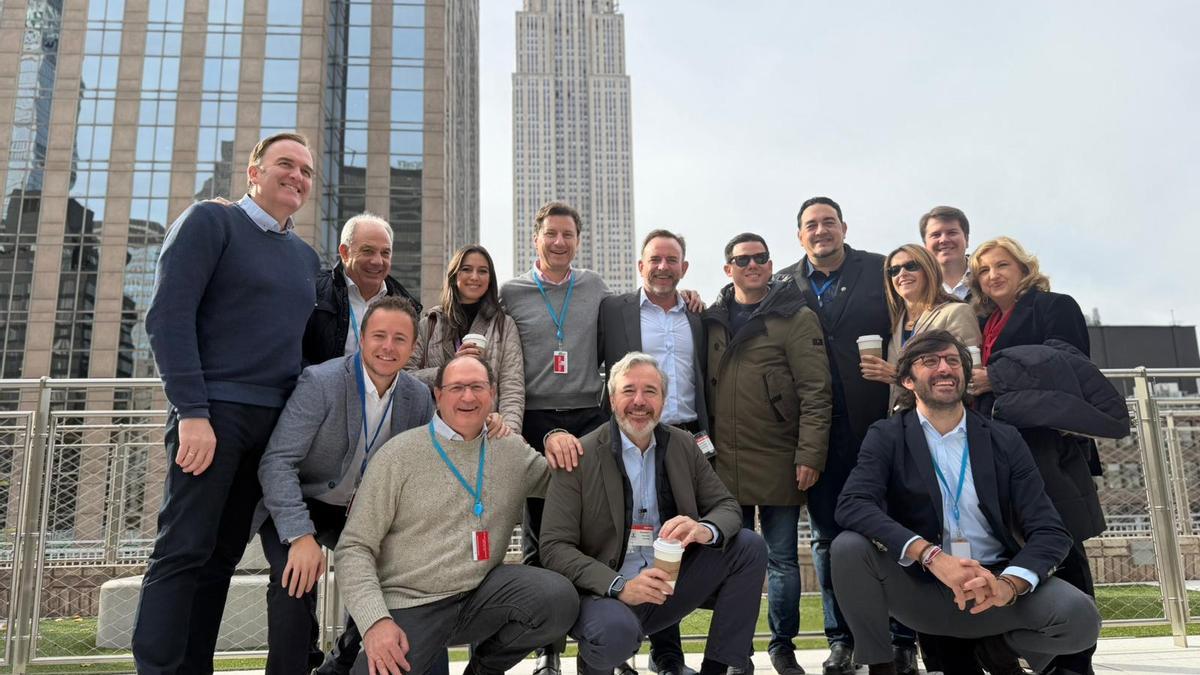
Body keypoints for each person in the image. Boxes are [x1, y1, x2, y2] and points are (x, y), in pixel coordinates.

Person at [135, 132, 322, 674]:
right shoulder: (209, 223)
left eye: (306, 171)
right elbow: (168, 317)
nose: (298, 176)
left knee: (220, 559)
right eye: (285, 164)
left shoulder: (304, 257)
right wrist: (192, 411)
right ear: (253, 172)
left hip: (274, 427)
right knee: (182, 551)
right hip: (213, 414)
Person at [832, 330, 1101, 675]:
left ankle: (996, 649)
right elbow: (853, 504)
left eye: (953, 361)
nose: (944, 368)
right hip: (925, 588)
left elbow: (1050, 529)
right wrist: (931, 556)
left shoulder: (1003, 438)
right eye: (930, 361)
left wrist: (1009, 585)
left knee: (1080, 618)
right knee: (847, 548)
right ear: (907, 380)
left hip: (993, 587)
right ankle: (880, 665)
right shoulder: (887, 436)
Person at [335, 355, 580, 675]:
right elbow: (353, 548)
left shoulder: (510, 450)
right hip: (411, 604)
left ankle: (482, 671)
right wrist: (375, 622)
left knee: (557, 599)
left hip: (482, 596)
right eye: (457, 387)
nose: (468, 396)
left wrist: (555, 437)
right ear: (437, 394)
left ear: (492, 393)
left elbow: (567, 484)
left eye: (477, 387)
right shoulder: (399, 455)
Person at [540, 352, 767, 675]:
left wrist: (704, 529)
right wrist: (619, 585)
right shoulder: (580, 454)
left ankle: (718, 667)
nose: (639, 401)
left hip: (670, 586)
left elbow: (727, 507)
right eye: (628, 390)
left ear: (663, 399)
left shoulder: (684, 445)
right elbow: (553, 547)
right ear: (611, 397)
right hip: (606, 593)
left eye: (650, 391)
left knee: (748, 546)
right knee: (613, 634)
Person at [256, 297, 434, 674]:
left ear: (413, 346)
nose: (388, 347)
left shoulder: (417, 398)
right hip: (302, 500)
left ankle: (340, 668)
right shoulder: (321, 382)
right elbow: (277, 462)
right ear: (362, 337)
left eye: (400, 339)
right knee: (294, 579)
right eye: (379, 336)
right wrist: (301, 536)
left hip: (361, 510)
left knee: (394, 574)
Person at [776, 197, 910, 674]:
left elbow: (916, 322)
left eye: (828, 222)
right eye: (810, 225)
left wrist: (901, 374)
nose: (820, 231)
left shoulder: (881, 270)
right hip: (815, 432)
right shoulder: (781, 283)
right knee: (828, 538)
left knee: (895, 529)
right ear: (799, 235)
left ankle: (902, 638)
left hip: (880, 425)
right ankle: (841, 639)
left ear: (844, 227)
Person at [967, 236, 1104, 675]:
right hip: (1005, 449)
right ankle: (1049, 653)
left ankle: (1077, 660)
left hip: (1048, 448)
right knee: (1028, 546)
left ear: (1024, 268)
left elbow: (1067, 364)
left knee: (1063, 544)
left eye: (1001, 265)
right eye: (983, 270)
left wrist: (996, 378)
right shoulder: (988, 320)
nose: (993, 275)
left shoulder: (1053, 305)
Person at [702, 233, 831, 675]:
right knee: (734, 565)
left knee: (781, 561)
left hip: (779, 457)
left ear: (771, 264)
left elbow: (817, 391)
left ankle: (783, 646)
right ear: (728, 269)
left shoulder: (796, 317)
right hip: (724, 464)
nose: (751, 265)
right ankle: (736, 652)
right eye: (742, 259)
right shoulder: (712, 319)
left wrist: (810, 454)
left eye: (760, 258)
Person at [499, 201, 612, 675]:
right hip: (535, 416)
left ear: (578, 240)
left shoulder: (594, 286)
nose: (559, 242)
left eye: (568, 234)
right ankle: (547, 650)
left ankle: (598, 645)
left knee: (592, 534)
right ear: (536, 238)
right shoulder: (512, 292)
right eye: (551, 234)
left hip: (591, 415)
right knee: (542, 535)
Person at [594, 229, 708, 674]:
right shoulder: (612, 310)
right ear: (640, 266)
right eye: (654, 259)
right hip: (631, 433)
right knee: (627, 541)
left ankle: (668, 656)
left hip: (687, 441)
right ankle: (620, 649)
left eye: (672, 260)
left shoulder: (700, 314)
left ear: (684, 267)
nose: (663, 267)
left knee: (670, 543)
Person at [408, 244, 525, 433]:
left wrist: (509, 434)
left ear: (490, 279)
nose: (474, 277)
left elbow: (513, 387)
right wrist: (449, 369)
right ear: (454, 276)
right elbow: (406, 378)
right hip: (437, 432)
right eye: (467, 269)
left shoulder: (504, 325)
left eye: (483, 271)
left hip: (487, 431)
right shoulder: (429, 323)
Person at [860, 244, 981, 412]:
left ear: (929, 270)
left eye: (911, 266)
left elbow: (968, 377)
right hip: (901, 420)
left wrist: (898, 376)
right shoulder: (897, 321)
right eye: (894, 270)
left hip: (942, 419)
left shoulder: (956, 312)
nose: (902, 273)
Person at [303, 212, 421, 366]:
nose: (378, 261)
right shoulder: (313, 293)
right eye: (368, 251)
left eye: (385, 253)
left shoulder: (408, 307)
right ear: (345, 253)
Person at [920, 206, 972, 300]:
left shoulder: (989, 278)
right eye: (936, 235)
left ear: (966, 239)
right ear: (925, 245)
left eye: (952, 233)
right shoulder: (918, 289)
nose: (943, 240)